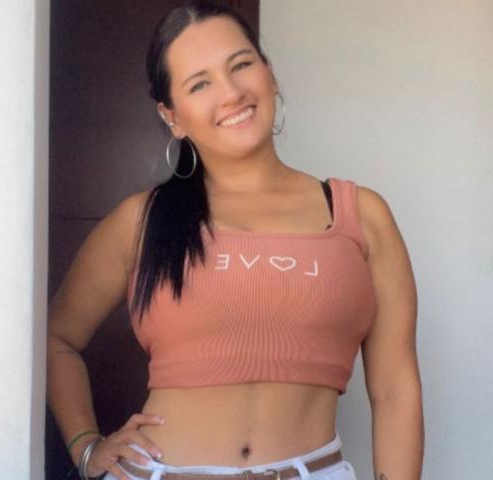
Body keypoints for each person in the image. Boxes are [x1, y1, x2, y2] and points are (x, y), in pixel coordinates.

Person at [47, 2, 424, 480]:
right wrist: (86, 447)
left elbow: (395, 390)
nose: (230, 92)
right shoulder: (141, 221)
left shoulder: (360, 215)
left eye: (241, 65)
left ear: (270, 74)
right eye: (199, 84)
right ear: (172, 116)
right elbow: (56, 339)